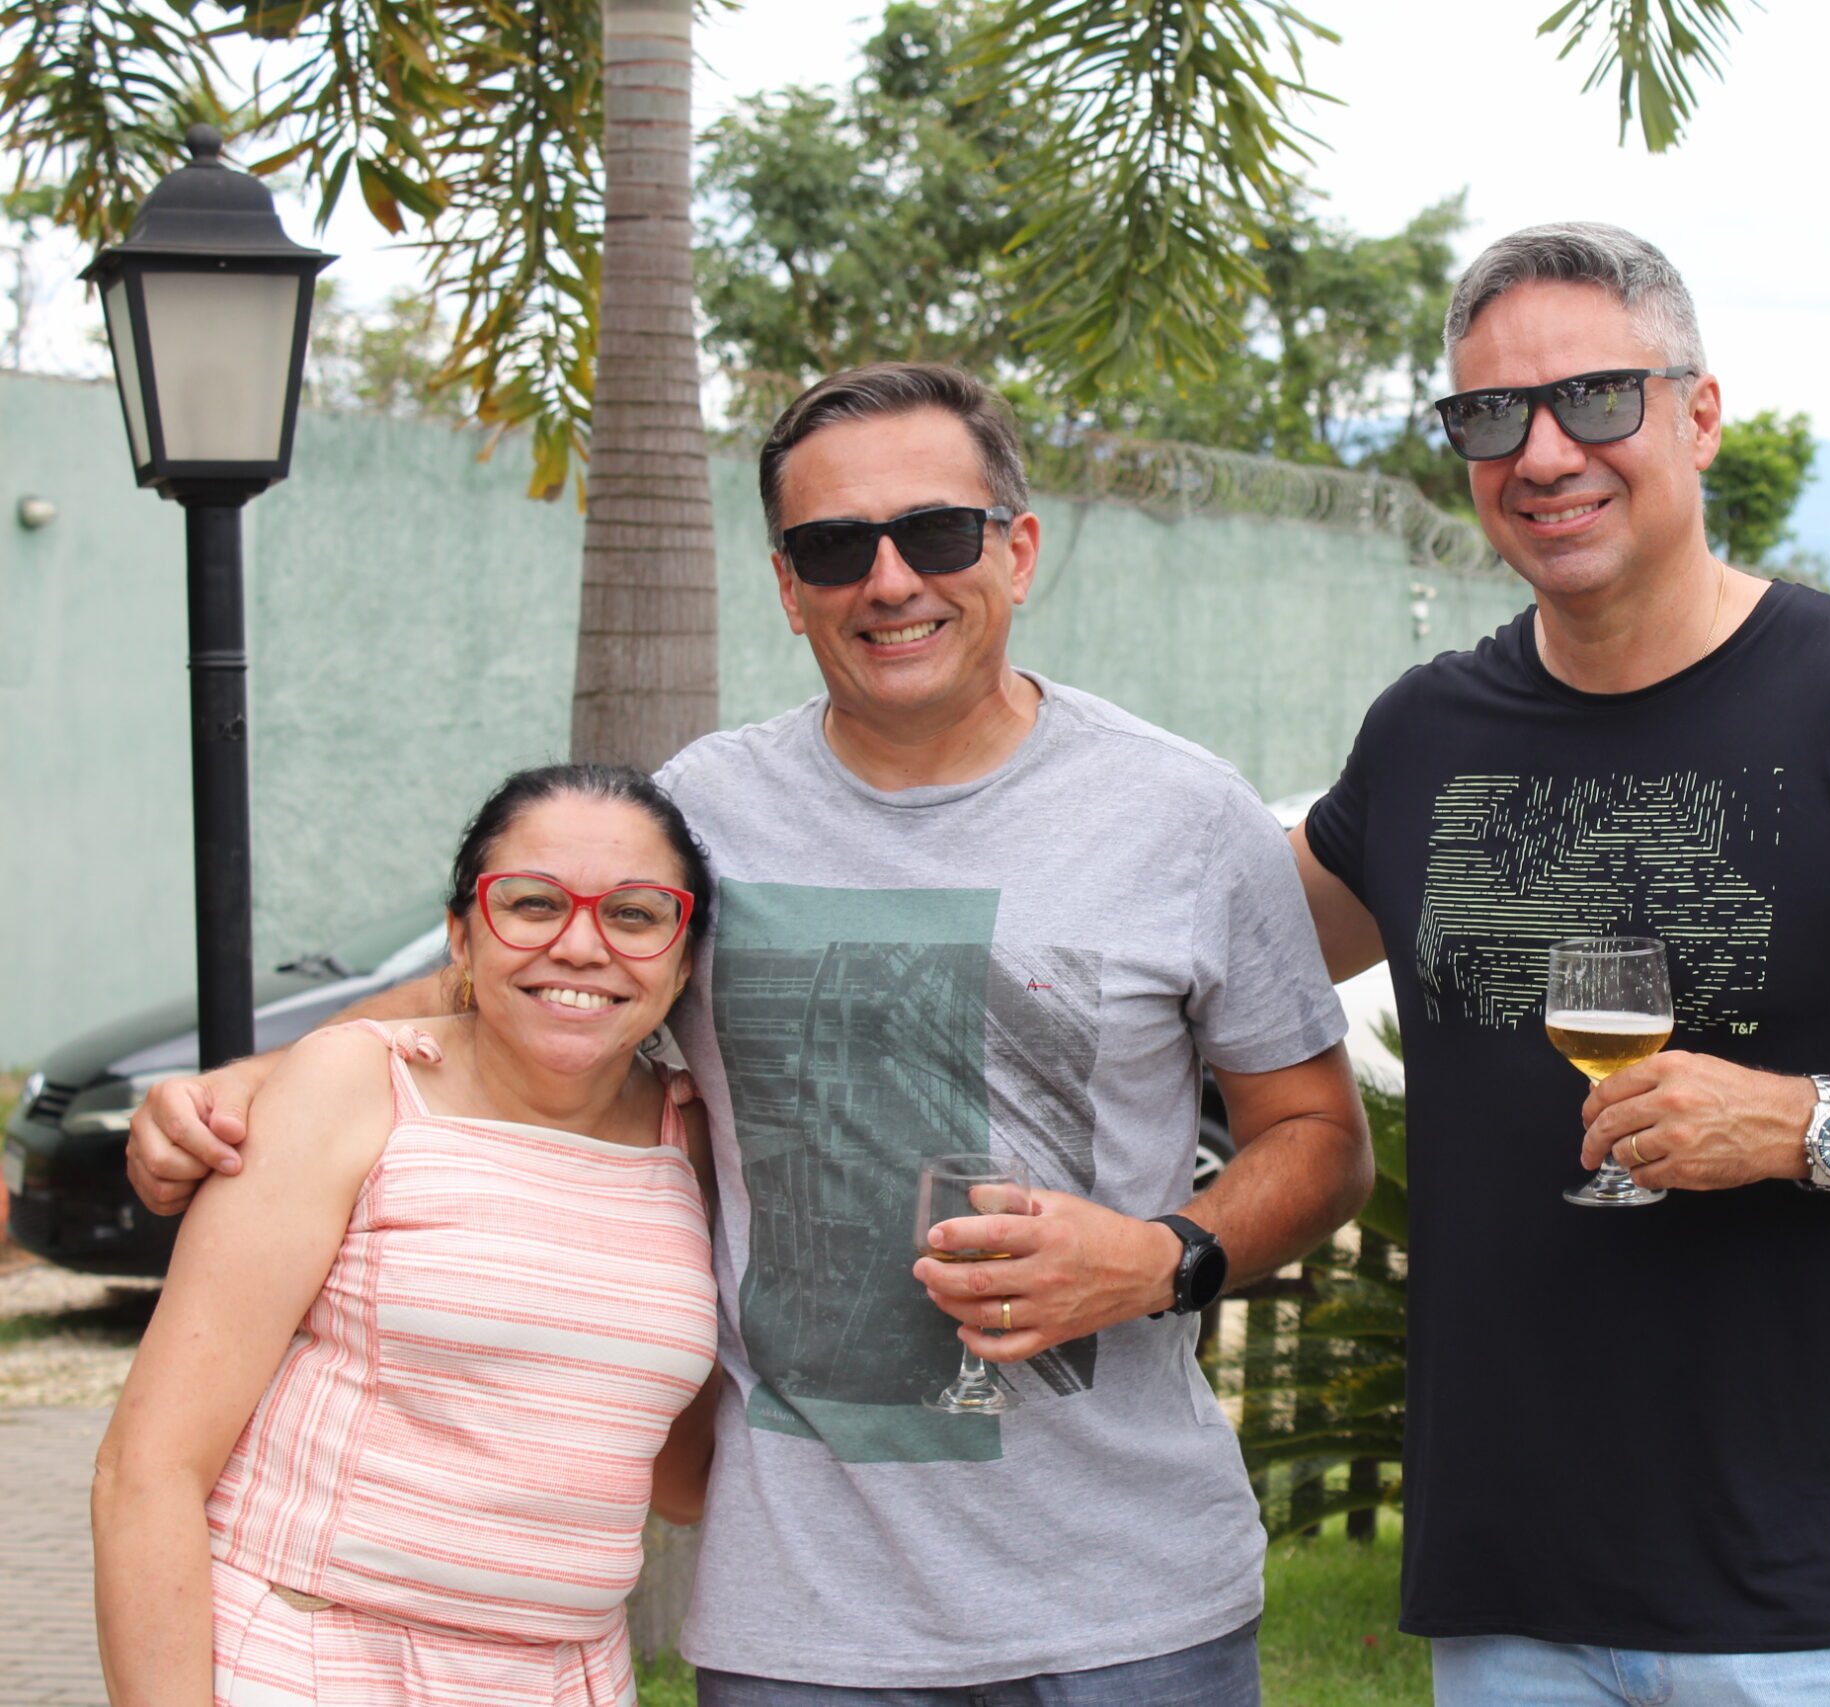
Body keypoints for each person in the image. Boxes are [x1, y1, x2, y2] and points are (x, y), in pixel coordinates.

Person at [129, 362, 1370, 1704]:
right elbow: (511, 976)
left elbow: (1317, 1134)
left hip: (1134, 1610)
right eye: (834, 547)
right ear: (787, 586)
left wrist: (1159, 1258)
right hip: (802, 1628)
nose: (888, 580)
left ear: (1016, 550)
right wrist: (248, 1084)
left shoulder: (1186, 813)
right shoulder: (706, 812)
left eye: (935, 532)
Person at [1287, 223, 1830, 1706]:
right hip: (1509, 1609)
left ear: (1699, 415)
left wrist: (1800, 1122)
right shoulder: (1426, 734)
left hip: (1825, 1622)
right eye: (1490, 415)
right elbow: (1231, 946)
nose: (1544, 452)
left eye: (1596, 398)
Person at [93, 764, 722, 1707]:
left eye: (634, 914)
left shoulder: (689, 1140)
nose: (580, 944)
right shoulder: (354, 1087)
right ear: (463, 935)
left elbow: (677, 1477)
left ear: (683, 959)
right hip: (309, 1660)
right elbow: (148, 1469)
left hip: (566, 1677)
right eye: (533, 902)